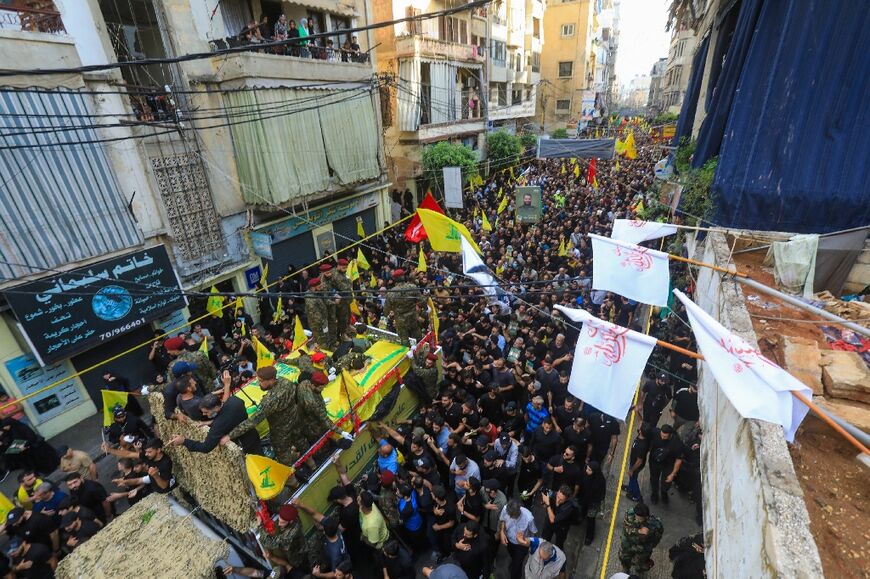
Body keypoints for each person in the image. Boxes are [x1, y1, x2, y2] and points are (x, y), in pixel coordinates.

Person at [227, 366, 332, 466]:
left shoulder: (270, 401)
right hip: (295, 421)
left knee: (283, 456)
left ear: (271, 380)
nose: (259, 384)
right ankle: (313, 465)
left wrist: (230, 435)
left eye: (261, 381)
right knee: (302, 444)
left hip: (280, 431)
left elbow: (253, 421)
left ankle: (294, 480)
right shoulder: (285, 381)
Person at [166, 379, 262, 457]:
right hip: (253, 435)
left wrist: (184, 441)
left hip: (244, 446)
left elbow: (205, 447)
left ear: (216, 407)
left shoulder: (218, 425)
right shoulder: (235, 400)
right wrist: (212, 421)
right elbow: (228, 415)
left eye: (206, 412)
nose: (204, 415)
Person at [259, 504, 307, 577]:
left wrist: (260, 526)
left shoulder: (289, 535)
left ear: (290, 522)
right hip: (299, 549)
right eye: (279, 520)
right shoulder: (292, 515)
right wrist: (263, 507)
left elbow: (269, 543)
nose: (278, 524)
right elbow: (279, 509)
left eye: (282, 522)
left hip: (298, 560)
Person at [618, 503, 663, 575]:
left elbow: (658, 537)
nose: (637, 520)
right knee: (624, 557)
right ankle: (626, 568)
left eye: (640, 518)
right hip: (627, 543)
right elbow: (625, 528)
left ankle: (639, 572)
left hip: (642, 547)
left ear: (646, 516)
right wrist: (638, 531)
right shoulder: (629, 514)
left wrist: (650, 546)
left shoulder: (654, 524)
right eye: (636, 517)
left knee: (641, 563)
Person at [499, 498, 537, 579]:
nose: (510, 517)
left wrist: (530, 546)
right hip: (509, 541)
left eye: (512, 515)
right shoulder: (506, 509)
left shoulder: (529, 518)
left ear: (518, 511)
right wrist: (502, 532)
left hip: (521, 545)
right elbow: (503, 521)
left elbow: (533, 533)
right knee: (513, 558)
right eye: (509, 515)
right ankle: (514, 564)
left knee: (516, 567)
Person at [647, 424, 685, 505]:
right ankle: (654, 494)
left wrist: (673, 474)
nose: (662, 438)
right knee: (654, 479)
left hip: (668, 465)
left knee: (666, 482)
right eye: (661, 435)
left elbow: (679, 460)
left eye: (665, 436)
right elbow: (644, 426)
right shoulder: (656, 432)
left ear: (670, 435)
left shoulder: (676, 443)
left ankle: (664, 493)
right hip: (654, 462)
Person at [383, 270, 422, 345]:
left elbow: (386, 310)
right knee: (417, 336)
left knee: (404, 340)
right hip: (413, 316)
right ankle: (421, 350)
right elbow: (421, 301)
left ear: (395, 279)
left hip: (400, 320)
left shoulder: (391, 293)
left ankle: (408, 354)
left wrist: (387, 315)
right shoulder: (412, 287)